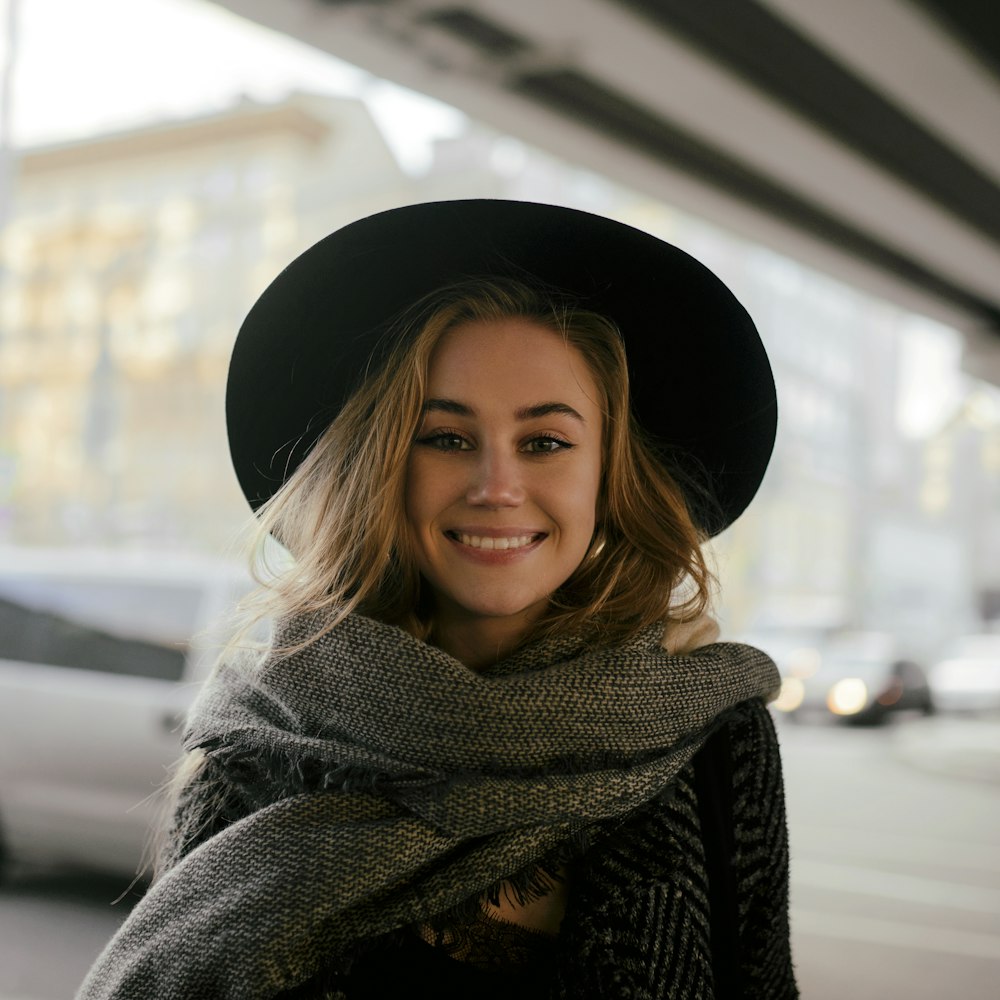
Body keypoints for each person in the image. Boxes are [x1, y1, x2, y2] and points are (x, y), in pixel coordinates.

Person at [78, 200, 797, 999]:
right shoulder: (262, 743)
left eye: (546, 442)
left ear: (608, 477)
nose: (497, 487)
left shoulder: (716, 744)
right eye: (447, 438)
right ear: (387, 466)